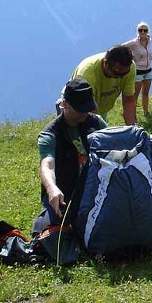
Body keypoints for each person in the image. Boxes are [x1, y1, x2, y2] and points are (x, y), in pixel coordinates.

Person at [34, 78, 107, 232]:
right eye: (80, 109)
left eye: (87, 108)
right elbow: (47, 165)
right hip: (64, 197)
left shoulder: (97, 123)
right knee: (57, 228)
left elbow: (111, 150)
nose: (84, 114)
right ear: (65, 104)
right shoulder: (50, 135)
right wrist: (52, 189)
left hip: (95, 190)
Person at [70, 44, 137, 124]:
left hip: (100, 106)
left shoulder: (130, 67)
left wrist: (132, 130)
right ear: (105, 64)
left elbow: (128, 100)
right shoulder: (87, 74)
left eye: (125, 73)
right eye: (117, 72)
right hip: (75, 106)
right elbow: (89, 107)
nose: (121, 77)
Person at [124, 22, 152, 118]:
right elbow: (121, 47)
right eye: (140, 30)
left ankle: (146, 113)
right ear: (137, 31)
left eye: (145, 30)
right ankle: (133, 115)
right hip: (138, 71)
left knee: (145, 93)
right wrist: (130, 58)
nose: (142, 32)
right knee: (135, 95)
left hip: (148, 70)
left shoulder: (149, 40)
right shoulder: (134, 43)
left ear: (148, 31)